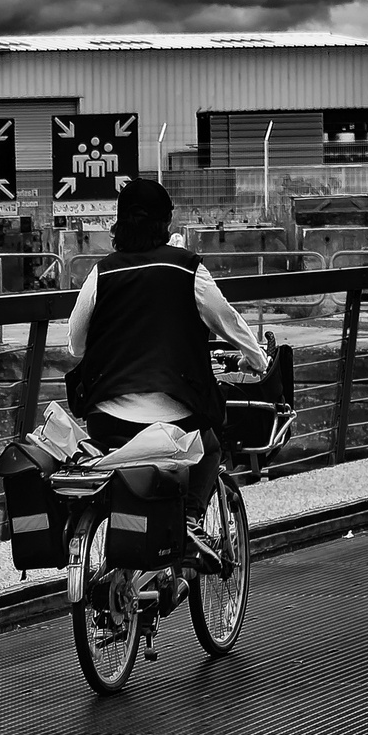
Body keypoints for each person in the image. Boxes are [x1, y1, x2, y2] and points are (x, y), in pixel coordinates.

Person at [65, 178, 269, 612]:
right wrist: (258, 360)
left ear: (119, 223)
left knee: (121, 470)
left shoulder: (102, 272)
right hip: (171, 422)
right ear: (166, 222)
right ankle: (192, 521)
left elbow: (75, 345)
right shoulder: (187, 269)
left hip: (107, 418)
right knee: (210, 446)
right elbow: (227, 322)